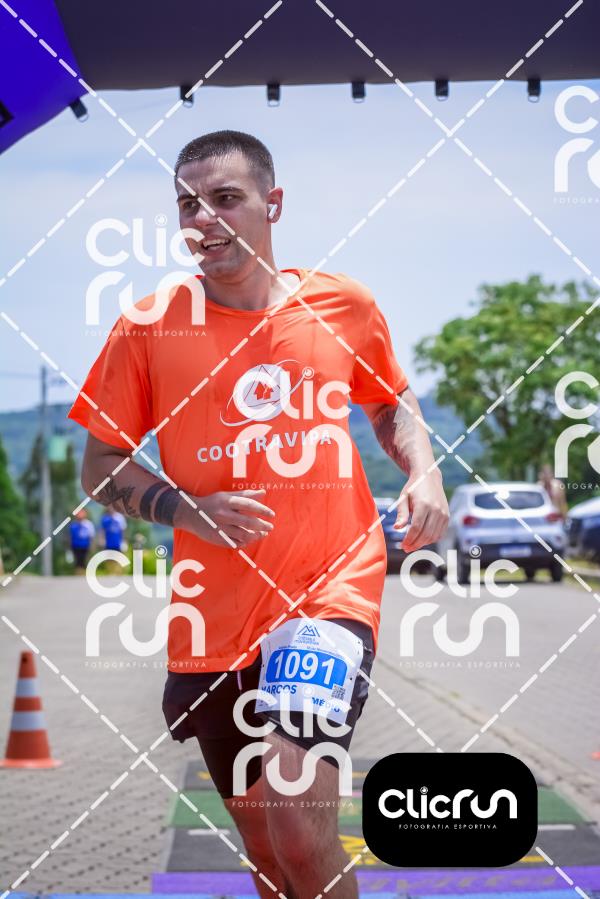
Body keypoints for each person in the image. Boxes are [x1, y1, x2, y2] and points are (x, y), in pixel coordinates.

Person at [69, 130, 449, 898]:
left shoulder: (343, 304)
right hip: (212, 621)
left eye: (225, 198)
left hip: (328, 593)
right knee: (268, 856)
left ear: (272, 203)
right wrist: (186, 509)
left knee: (300, 834)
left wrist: (426, 469)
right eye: (187, 204)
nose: (202, 219)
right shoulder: (148, 327)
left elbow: (390, 400)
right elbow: (100, 466)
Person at [69, 508, 95, 574]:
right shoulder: (73, 525)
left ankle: (84, 573)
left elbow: (91, 536)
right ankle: (78, 573)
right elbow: (71, 536)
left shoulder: (88, 524)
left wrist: (91, 546)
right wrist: (70, 546)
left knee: (84, 560)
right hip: (76, 546)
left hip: (85, 545)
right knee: (77, 561)